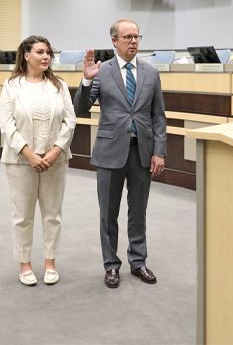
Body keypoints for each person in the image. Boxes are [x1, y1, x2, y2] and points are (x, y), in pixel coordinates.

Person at [73, 18, 166, 289]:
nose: (133, 41)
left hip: (142, 152)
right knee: (108, 213)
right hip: (110, 151)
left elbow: (158, 116)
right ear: (114, 41)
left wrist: (159, 152)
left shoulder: (151, 73)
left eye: (137, 36)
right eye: (128, 37)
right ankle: (111, 265)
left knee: (138, 212)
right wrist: (86, 81)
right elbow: (80, 109)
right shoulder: (102, 72)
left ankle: (138, 262)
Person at [0, 35, 77, 286]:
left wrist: (55, 151)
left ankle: (50, 262)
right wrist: (29, 153)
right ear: (26, 55)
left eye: (48, 53)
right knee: (22, 215)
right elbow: (6, 124)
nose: (46, 57)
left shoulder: (59, 85)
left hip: (55, 160)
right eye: (40, 52)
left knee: (53, 214)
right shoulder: (11, 86)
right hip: (21, 161)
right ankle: (25, 264)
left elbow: (70, 121)